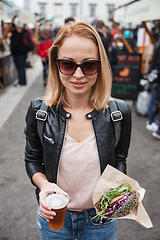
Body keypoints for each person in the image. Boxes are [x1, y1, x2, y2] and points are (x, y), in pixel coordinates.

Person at [24, 22, 132, 240]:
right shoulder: (39, 111)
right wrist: (44, 186)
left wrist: (118, 190)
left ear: (100, 66)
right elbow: (32, 159)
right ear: (55, 64)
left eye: (89, 65)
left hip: (101, 221)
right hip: (54, 216)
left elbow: (120, 159)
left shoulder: (119, 113)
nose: (79, 74)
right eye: (68, 64)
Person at [146, 38, 160, 139]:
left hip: (155, 77)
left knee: (153, 100)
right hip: (157, 79)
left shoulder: (157, 44)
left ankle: (150, 121)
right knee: (154, 100)